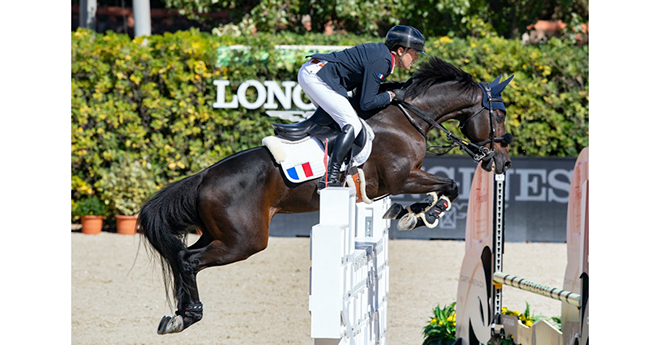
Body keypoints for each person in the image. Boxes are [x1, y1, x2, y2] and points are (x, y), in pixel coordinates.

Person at [297, 25, 426, 191]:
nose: (415, 57)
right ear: (400, 50)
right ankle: (330, 178)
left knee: (341, 121)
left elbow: (362, 94)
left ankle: (325, 167)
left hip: (316, 72)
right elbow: (368, 102)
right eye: (414, 52)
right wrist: (391, 95)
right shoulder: (382, 61)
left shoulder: (383, 56)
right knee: (352, 124)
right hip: (317, 76)